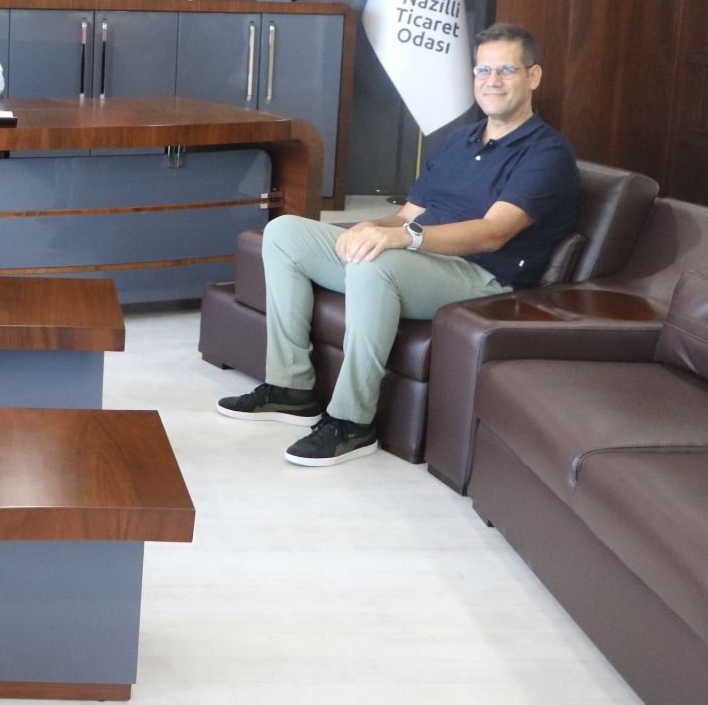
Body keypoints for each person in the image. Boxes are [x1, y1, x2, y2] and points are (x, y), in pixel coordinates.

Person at [216, 23, 579, 467]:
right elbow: (405, 216)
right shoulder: (459, 142)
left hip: (483, 276)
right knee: (285, 233)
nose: (492, 81)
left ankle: (352, 422)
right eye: (483, 70)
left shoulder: (547, 153)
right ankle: (291, 388)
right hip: (418, 256)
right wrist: (366, 229)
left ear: (533, 76)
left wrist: (403, 238)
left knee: (376, 263)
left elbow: (493, 232)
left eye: (506, 70)